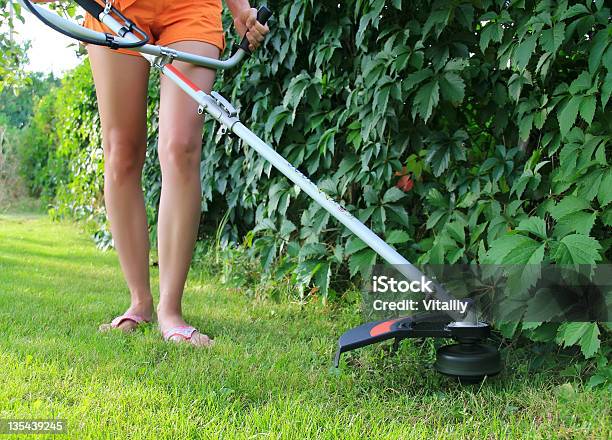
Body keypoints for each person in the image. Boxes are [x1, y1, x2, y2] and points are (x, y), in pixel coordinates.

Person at [34, 0, 269, 346]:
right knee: (121, 152)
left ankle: (170, 311)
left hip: (190, 9)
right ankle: (140, 302)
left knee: (180, 147)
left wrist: (240, 9)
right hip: (114, 10)